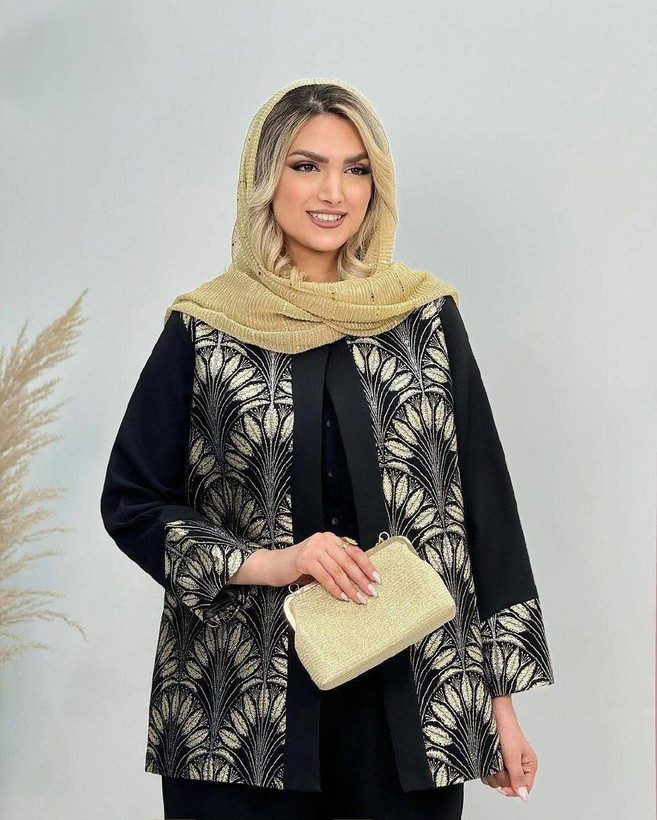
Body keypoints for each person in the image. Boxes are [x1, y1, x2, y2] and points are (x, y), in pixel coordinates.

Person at [100, 78, 556, 820]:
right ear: (265, 178)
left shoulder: (423, 319)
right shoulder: (205, 328)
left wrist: (500, 707)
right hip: (238, 716)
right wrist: (274, 562)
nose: (334, 193)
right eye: (306, 166)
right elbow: (132, 502)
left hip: (414, 712)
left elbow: (485, 515)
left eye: (356, 169)